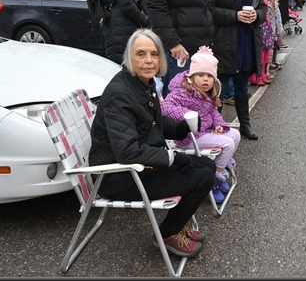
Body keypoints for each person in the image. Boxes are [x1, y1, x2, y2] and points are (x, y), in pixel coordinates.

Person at [88, 28, 216, 258]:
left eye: (154, 54)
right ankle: (167, 234)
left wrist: (181, 127)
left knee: (207, 165)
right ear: (129, 57)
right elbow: (127, 151)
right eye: (141, 54)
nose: (149, 60)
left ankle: (176, 225)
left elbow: (154, 121)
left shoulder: (143, 83)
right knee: (203, 176)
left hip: (139, 168)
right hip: (119, 177)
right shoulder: (120, 93)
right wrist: (173, 157)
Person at [161, 46, 240, 204]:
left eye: (209, 76)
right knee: (227, 143)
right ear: (191, 76)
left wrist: (219, 125)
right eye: (201, 75)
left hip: (204, 132)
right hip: (189, 137)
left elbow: (213, 112)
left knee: (235, 135)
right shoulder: (183, 92)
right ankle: (216, 178)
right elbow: (165, 107)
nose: (205, 80)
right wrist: (189, 115)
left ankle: (221, 166)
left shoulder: (207, 93)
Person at [207, 0, 267, 140]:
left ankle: (245, 124)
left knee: (242, 86)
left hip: (246, 40)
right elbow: (208, 10)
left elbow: (263, 8)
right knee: (219, 89)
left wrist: (256, 15)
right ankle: (215, 127)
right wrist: (235, 15)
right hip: (223, 42)